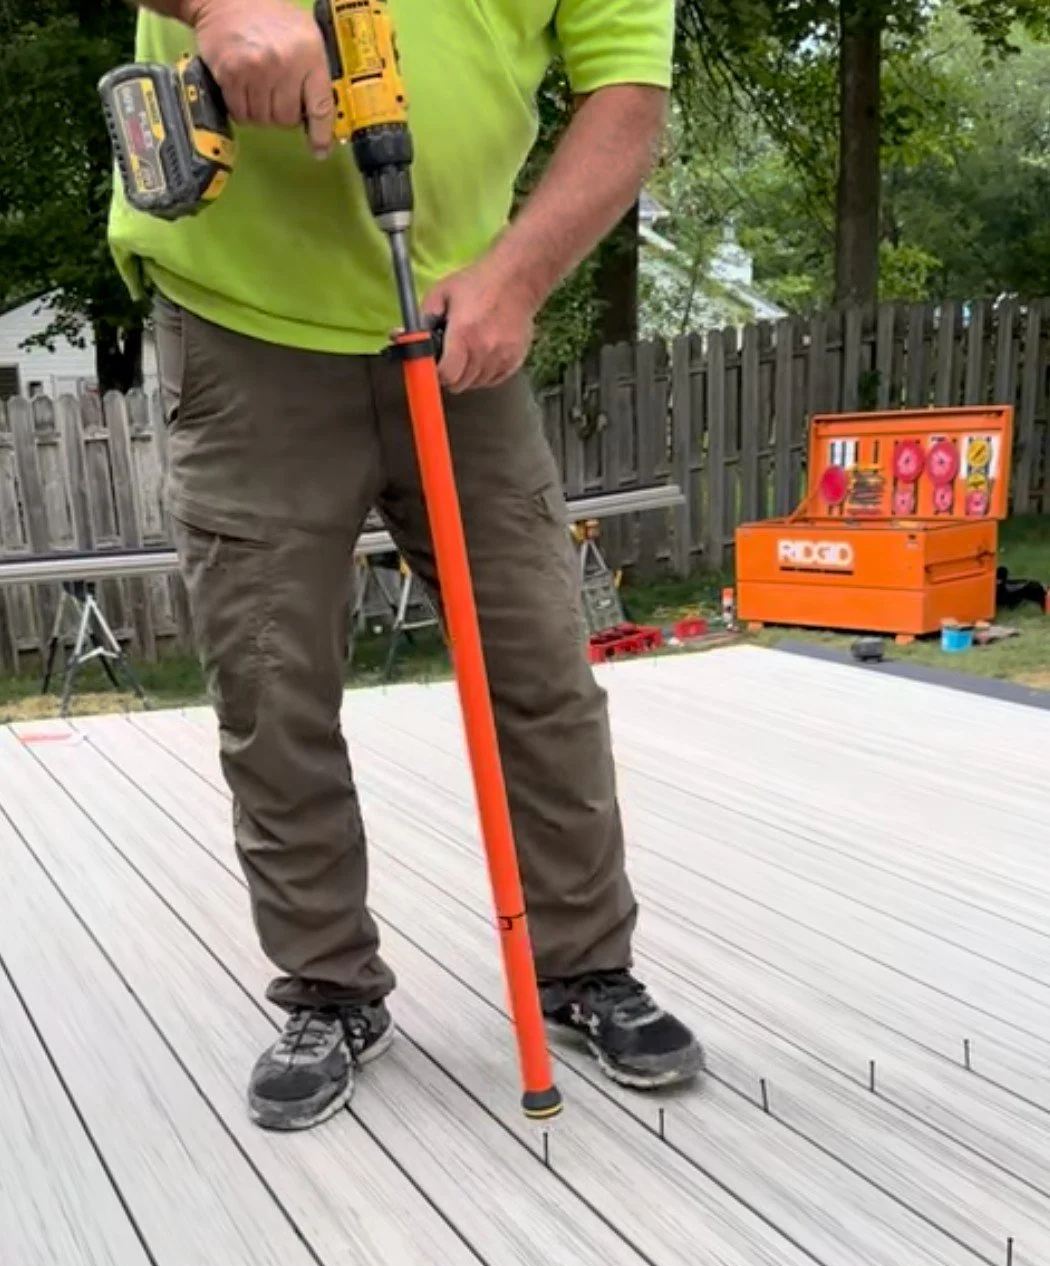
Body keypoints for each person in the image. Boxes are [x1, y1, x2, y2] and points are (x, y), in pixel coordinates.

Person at [112, 0, 705, 1131]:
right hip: (245, 327)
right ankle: (330, 989)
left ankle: (584, 967)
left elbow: (627, 99)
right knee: (273, 683)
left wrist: (518, 279)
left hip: (455, 323)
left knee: (539, 664)